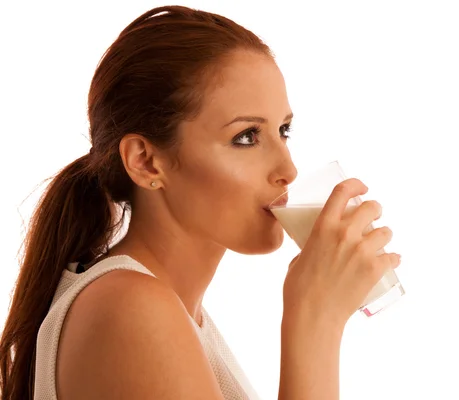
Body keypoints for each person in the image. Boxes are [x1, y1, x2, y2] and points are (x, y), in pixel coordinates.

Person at [0, 5, 401, 400]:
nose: (288, 169)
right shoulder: (131, 308)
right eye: (246, 136)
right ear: (146, 161)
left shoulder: (169, 311)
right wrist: (316, 320)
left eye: (283, 130)